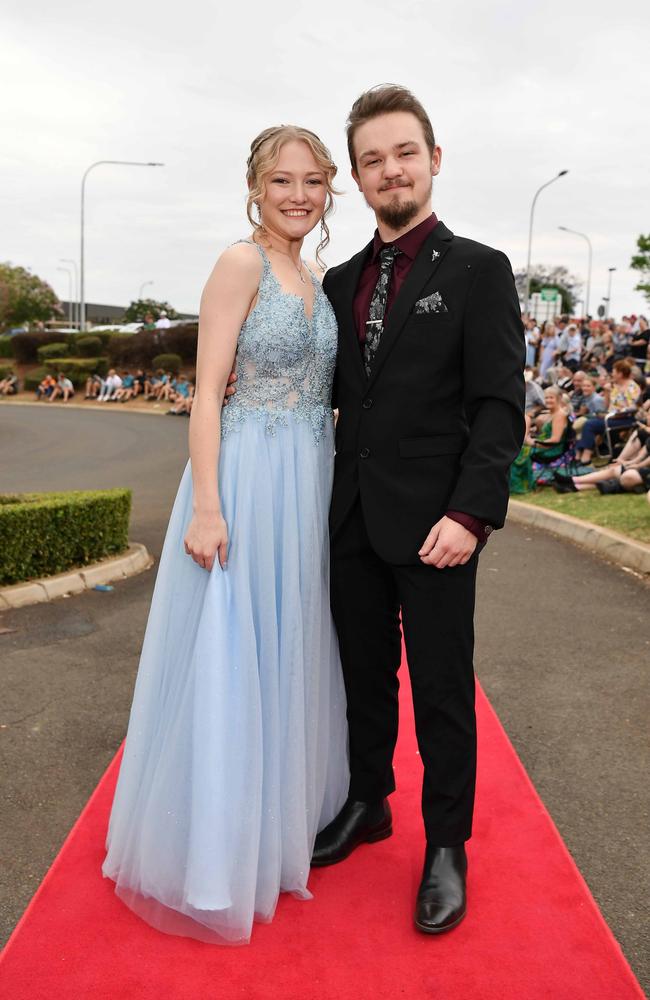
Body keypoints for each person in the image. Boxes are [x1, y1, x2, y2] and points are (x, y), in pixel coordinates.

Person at [102, 125, 349, 944]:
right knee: (232, 648)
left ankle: (275, 825)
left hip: (307, 478)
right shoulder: (240, 263)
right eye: (283, 181)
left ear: (328, 191)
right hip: (245, 476)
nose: (298, 196)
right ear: (254, 185)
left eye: (313, 182)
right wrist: (208, 505)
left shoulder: (314, 273)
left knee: (285, 648)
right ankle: (213, 848)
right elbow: (207, 393)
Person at [309, 85, 525, 935]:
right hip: (350, 517)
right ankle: (370, 801)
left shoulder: (478, 268)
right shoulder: (337, 280)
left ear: (433, 159)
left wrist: (471, 514)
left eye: (404, 152)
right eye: (372, 159)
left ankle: (446, 845)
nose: (390, 169)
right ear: (357, 179)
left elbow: (499, 405)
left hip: (438, 526)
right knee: (362, 677)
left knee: (440, 690)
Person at [576, 359, 641, 464]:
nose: (612, 374)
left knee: (590, 424)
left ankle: (585, 455)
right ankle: (581, 453)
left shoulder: (632, 387)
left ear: (620, 373)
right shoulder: (614, 386)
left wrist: (614, 414)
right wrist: (606, 392)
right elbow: (606, 406)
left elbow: (631, 407)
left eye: (614, 372)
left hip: (625, 418)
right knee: (586, 421)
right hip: (611, 416)